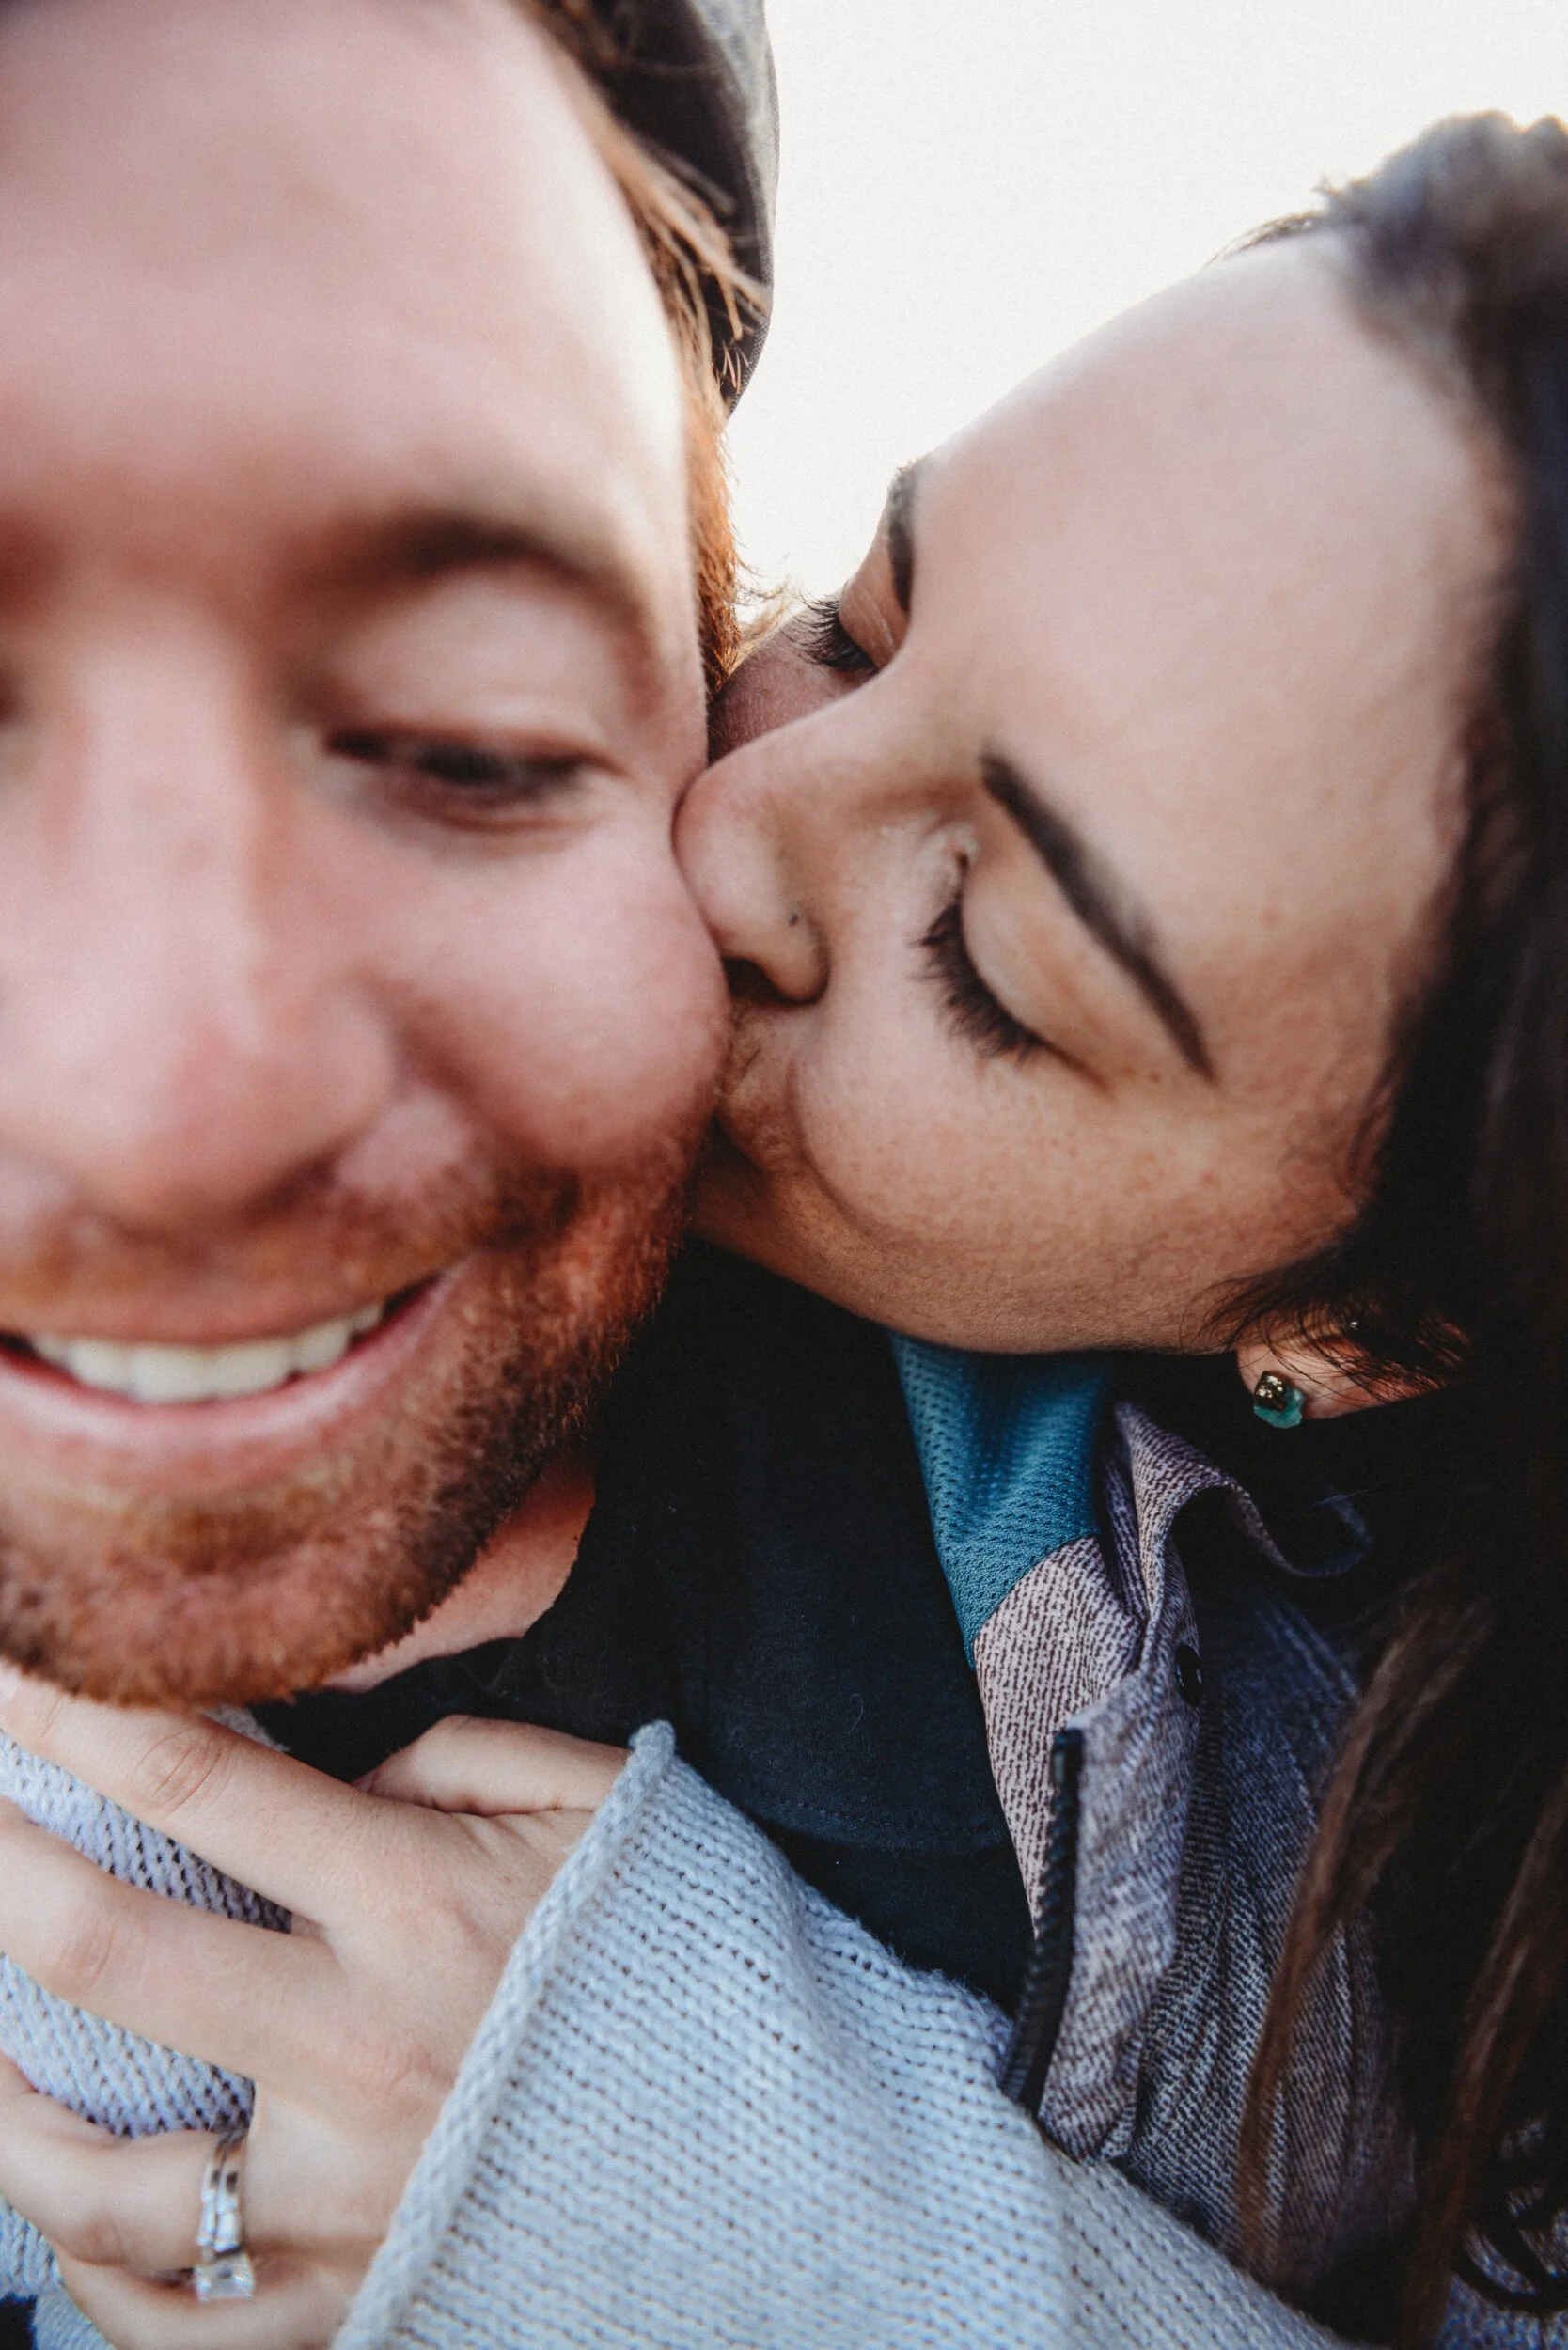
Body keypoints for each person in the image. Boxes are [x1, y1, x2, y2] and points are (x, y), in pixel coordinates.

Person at [0, 54, 1555, 2350]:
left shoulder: (1366, 1883)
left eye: (992, 963)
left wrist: (714, 2204)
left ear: (1360, 1316)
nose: (723, 835)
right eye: (863, 620)